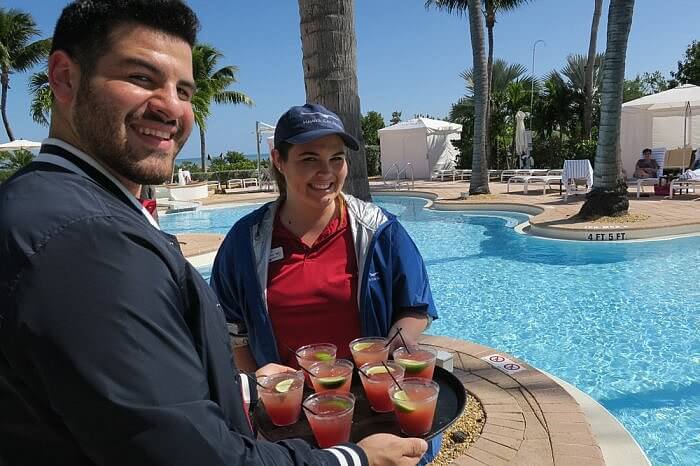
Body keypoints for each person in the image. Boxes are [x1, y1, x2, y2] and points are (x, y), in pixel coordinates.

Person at [0, 2, 427, 465]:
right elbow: (185, 447)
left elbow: (129, 390)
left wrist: (248, 389)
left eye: (183, 90)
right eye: (141, 78)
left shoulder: (57, 207)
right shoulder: (87, 239)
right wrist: (354, 462)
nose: (169, 107)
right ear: (64, 77)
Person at [210, 103, 440, 463]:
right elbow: (233, 330)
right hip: (289, 414)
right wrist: (262, 393)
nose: (326, 172)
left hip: (370, 405)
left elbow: (414, 308)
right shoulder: (245, 242)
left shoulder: (380, 231)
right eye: (309, 159)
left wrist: (390, 354)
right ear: (279, 161)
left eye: (336, 158)